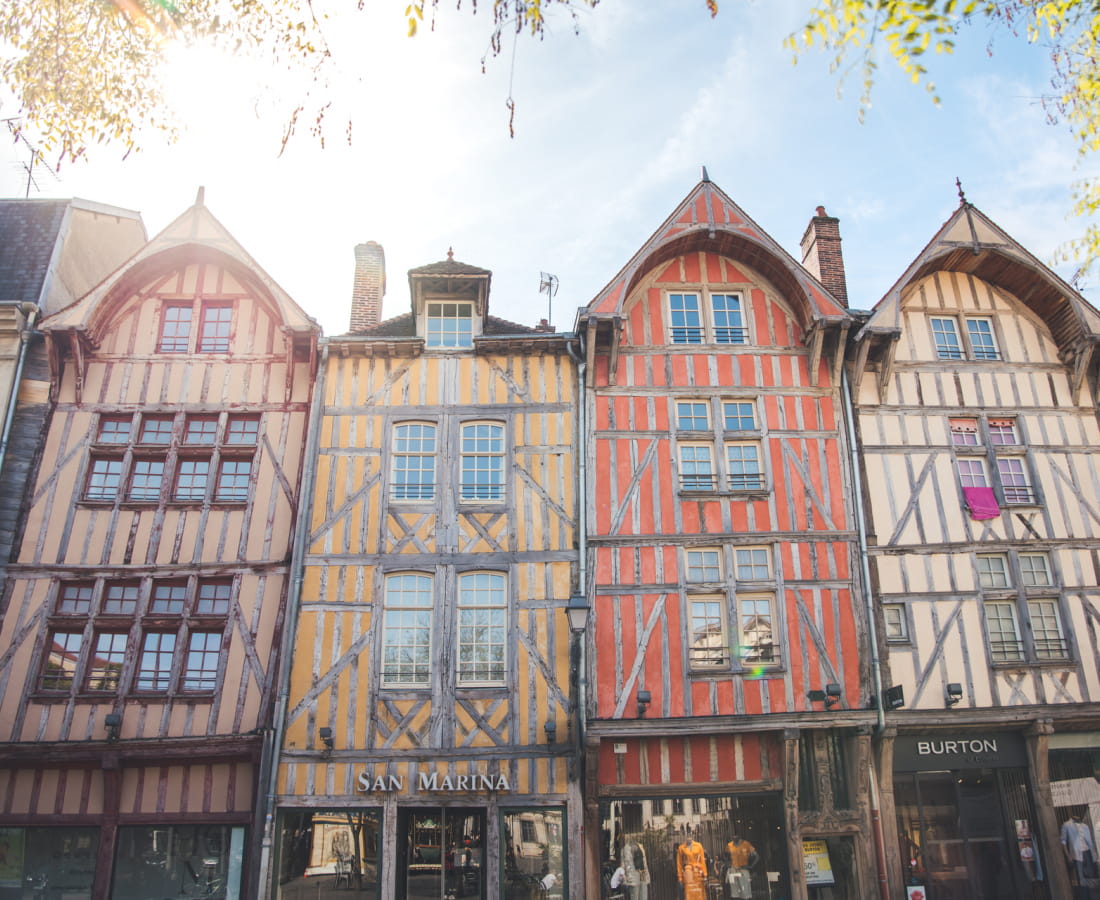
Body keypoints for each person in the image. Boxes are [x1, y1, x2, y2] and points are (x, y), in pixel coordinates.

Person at [1061, 811, 1097, 884]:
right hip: (1077, 854)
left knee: (1091, 876)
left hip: (1088, 852)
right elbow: (1063, 842)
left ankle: (1090, 893)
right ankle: (1084, 894)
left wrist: (1094, 854)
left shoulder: (1085, 826)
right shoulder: (1067, 825)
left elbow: (1090, 841)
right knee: (1081, 878)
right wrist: (1068, 856)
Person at [725, 834, 758, 900]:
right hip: (733, 871)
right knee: (735, 893)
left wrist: (751, 866)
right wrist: (728, 863)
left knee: (745, 892)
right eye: (733, 836)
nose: (734, 837)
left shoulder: (746, 844)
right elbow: (725, 856)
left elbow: (756, 856)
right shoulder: (729, 845)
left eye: (736, 835)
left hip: (743, 870)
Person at [676, 833, 707, 900]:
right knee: (689, 892)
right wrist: (680, 877)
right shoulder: (681, 848)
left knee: (699, 892)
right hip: (688, 872)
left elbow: (702, 860)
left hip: (698, 871)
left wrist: (705, 874)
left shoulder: (698, 846)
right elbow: (679, 863)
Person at [621, 833, 649, 900]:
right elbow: (626, 864)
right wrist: (628, 878)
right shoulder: (626, 848)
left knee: (643, 894)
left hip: (642, 874)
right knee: (636, 896)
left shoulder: (640, 847)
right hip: (634, 876)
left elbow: (644, 863)